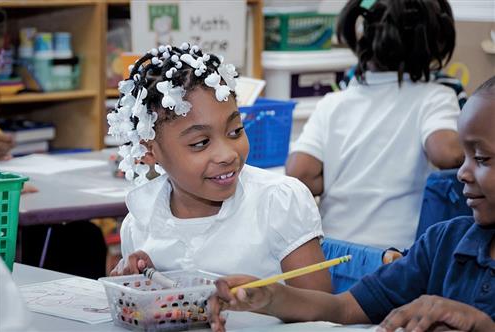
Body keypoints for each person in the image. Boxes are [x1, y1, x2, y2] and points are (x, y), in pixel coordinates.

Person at [208, 75, 495, 332]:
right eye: (466, 156)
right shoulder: (443, 243)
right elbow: (344, 308)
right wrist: (271, 297)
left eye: (481, 158)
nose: (462, 172)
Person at [108, 43, 331, 292]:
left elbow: (323, 309)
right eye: (200, 143)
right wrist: (143, 286)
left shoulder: (279, 201)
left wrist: (268, 299)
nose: (227, 155)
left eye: (235, 131)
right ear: (149, 151)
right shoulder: (140, 223)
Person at [286, 0, 464, 249]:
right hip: (394, 257)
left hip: (333, 249)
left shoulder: (334, 102)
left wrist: (346, 177)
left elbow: (299, 173)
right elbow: (448, 154)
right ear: (432, 46)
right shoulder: (435, 97)